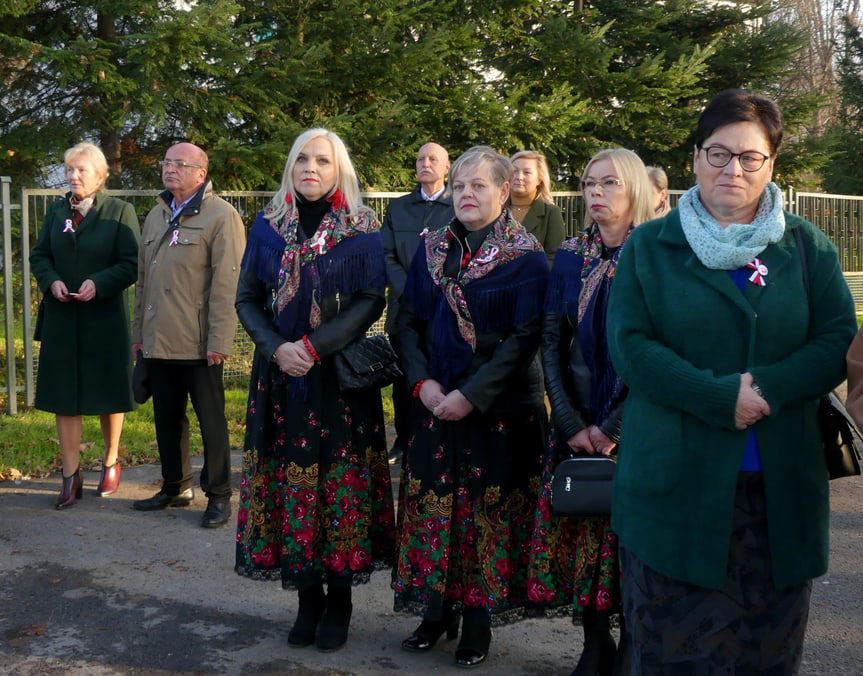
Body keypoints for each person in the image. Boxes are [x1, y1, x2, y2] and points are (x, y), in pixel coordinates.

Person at [606, 89, 857, 673]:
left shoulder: (806, 246)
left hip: (778, 493)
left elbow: (835, 343)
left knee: (767, 656)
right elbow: (631, 348)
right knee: (669, 655)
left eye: (750, 157)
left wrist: (765, 389)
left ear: (771, 165)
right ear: (695, 158)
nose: (733, 169)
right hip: (674, 490)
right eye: (718, 153)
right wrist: (719, 396)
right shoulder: (650, 246)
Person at [234, 128, 395, 653]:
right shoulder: (267, 226)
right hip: (280, 379)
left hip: (337, 380)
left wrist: (313, 347)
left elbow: (371, 299)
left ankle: (341, 601)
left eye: (322, 160)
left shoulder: (360, 227)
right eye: (302, 159)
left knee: (338, 490)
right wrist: (278, 349)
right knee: (292, 487)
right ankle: (307, 597)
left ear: (338, 168)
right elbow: (247, 299)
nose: (310, 167)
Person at [392, 146, 549, 668]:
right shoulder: (433, 248)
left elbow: (524, 339)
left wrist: (471, 395)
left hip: (498, 410)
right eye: (459, 186)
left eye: (479, 186)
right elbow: (407, 321)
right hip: (435, 403)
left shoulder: (526, 257)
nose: (466, 195)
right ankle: (436, 611)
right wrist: (425, 385)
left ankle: (477, 621)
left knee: (484, 515)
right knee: (437, 508)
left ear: (505, 193)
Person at [527, 148, 654, 676]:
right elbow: (550, 342)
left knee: (630, 538)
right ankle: (593, 639)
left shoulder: (655, 255)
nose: (596, 193)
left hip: (637, 425)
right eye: (587, 183)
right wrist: (572, 422)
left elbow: (658, 351)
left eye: (609, 184)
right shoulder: (571, 255)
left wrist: (613, 427)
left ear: (635, 190)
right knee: (581, 532)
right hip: (577, 422)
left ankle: (631, 645)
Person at [131, 142, 245, 529]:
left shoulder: (221, 215)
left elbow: (227, 284)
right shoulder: (157, 214)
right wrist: (139, 335)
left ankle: (218, 496)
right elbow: (144, 281)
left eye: (180, 164)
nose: (170, 169)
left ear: (201, 173)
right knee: (166, 416)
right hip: (159, 339)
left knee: (211, 421)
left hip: (199, 343)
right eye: (166, 162)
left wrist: (219, 341)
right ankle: (175, 486)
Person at [30, 142, 140, 509]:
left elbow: (130, 262)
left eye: (82, 170)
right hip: (62, 318)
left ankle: (110, 460)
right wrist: (51, 281)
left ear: (100, 176)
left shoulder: (120, 212)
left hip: (104, 319)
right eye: (69, 170)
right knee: (66, 396)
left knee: (109, 392)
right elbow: (40, 255)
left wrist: (101, 282)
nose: (73, 177)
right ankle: (70, 474)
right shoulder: (56, 211)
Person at [382, 142, 454, 464]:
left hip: (444, 311)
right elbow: (386, 255)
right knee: (403, 378)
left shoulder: (457, 208)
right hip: (403, 308)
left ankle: (438, 436)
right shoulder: (398, 208)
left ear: (446, 167)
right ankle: (403, 438)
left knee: (440, 374)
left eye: (433, 159)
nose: (425, 163)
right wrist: (410, 291)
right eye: (421, 159)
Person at [508, 150, 566, 264]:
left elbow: (554, 257)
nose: (519, 177)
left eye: (527, 172)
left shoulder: (550, 213)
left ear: (539, 179)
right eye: (514, 171)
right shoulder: (495, 209)